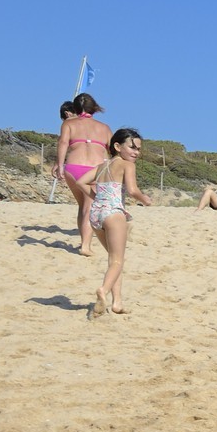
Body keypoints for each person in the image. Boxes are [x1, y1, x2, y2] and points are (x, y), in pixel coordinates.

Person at [76, 127, 151, 317]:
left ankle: (117, 303)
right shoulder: (127, 165)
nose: (135, 152)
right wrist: (145, 200)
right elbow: (133, 190)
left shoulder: (102, 166)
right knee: (118, 260)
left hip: (96, 214)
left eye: (138, 149)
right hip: (113, 213)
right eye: (132, 147)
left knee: (114, 259)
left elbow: (81, 182)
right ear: (117, 146)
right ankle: (104, 290)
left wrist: (97, 197)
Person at [54, 93, 112, 257]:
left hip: (72, 168)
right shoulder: (104, 128)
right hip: (94, 169)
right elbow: (112, 151)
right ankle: (85, 246)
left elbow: (63, 143)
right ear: (94, 107)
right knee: (89, 206)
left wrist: (59, 165)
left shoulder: (68, 124)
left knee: (83, 205)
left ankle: (83, 241)